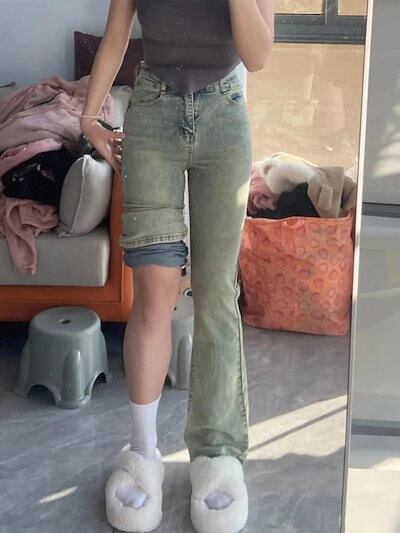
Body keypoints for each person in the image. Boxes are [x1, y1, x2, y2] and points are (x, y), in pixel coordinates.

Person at [80, 1, 274, 532]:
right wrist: (89, 116)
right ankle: (143, 453)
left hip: (224, 114)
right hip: (153, 113)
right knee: (154, 295)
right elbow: (117, 31)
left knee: (215, 293)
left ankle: (217, 454)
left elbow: (258, 56)